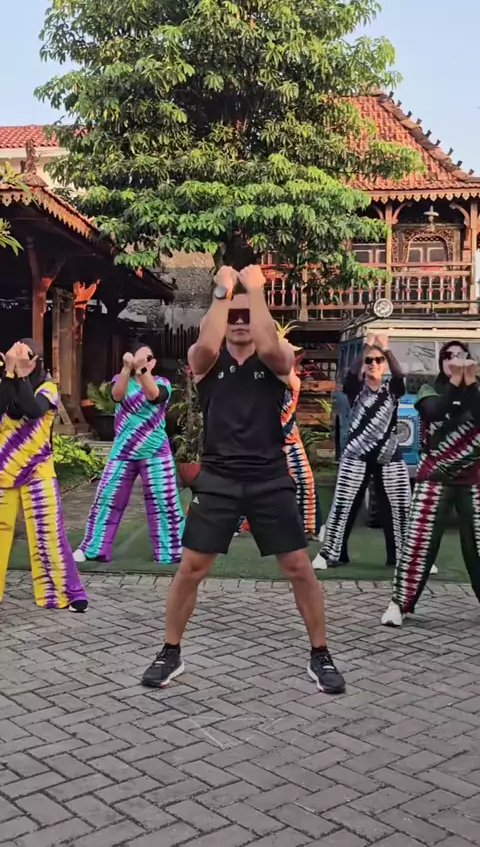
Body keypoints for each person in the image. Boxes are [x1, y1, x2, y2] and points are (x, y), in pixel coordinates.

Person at [141, 264, 345, 694]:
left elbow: (272, 347)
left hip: (269, 476)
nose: (238, 322)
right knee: (191, 568)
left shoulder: (276, 360)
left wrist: (254, 292)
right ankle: (170, 651)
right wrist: (223, 289)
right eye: (231, 317)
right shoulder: (206, 363)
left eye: (245, 316)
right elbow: (203, 344)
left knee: (298, 567)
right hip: (218, 478)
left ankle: (320, 653)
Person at [382, 341, 480, 627]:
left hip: (474, 477)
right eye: (448, 356)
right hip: (434, 476)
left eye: (460, 355)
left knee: (477, 544)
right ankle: (399, 604)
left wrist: (471, 384)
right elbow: (435, 411)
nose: (454, 359)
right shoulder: (429, 390)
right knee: (418, 541)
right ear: (441, 362)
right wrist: (456, 383)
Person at [74, 345, 184, 566]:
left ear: (154, 362)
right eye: (140, 358)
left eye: (148, 358)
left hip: (155, 452)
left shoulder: (162, 383)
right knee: (106, 498)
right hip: (123, 451)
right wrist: (126, 369)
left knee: (165, 501)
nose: (144, 361)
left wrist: (141, 370)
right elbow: (117, 396)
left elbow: (153, 396)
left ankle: (172, 551)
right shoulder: (120, 379)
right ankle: (93, 548)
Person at [0, 340, 88, 611]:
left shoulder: (48, 388)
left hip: (38, 471)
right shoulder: (6, 383)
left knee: (48, 534)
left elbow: (32, 410)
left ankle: (64, 593)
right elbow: (7, 406)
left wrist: (21, 375)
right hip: (4, 470)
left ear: (36, 360)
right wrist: (10, 375)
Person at [315, 333, 411, 570]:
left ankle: (403, 557)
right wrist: (366, 347)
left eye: (378, 361)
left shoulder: (392, 389)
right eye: (369, 361)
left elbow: (400, 375)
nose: (373, 364)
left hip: (388, 454)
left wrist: (386, 350)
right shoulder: (356, 389)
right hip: (357, 454)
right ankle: (332, 554)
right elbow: (351, 373)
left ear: (384, 364)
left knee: (399, 505)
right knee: (344, 504)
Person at [236, 347, 322, 538]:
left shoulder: (292, 381)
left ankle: (307, 528)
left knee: (305, 481)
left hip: (290, 441)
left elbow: (286, 371)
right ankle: (240, 523)